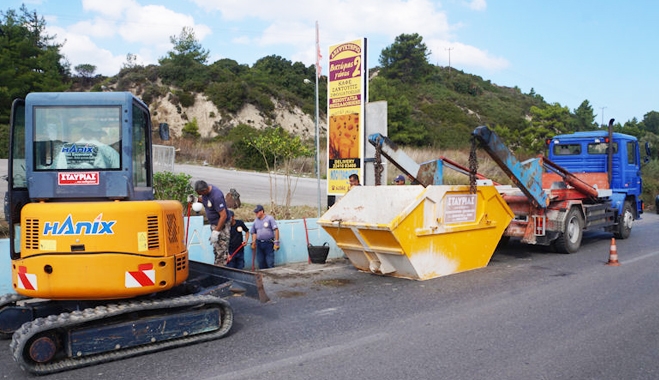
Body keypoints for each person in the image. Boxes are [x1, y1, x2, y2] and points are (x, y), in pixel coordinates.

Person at [194, 180, 230, 266]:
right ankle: (217, 266)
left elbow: (223, 216)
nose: (201, 195)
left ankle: (221, 270)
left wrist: (216, 231)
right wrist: (196, 199)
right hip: (214, 224)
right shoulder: (205, 193)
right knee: (216, 249)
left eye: (201, 193)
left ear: (205, 190)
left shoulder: (216, 196)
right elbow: (206, 201)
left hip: (222, 225)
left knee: (222, 249)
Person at [250, 204, 279, 269]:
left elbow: (276, 230)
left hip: (268, 243)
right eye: (255, 212)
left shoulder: (269, 218)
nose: (256, 214)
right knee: (261, 262)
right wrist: (253, 242)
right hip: (259, 244)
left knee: (270, 262)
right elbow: (254, 232)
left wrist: (276, 242)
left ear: (262, 211)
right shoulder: (255, 221)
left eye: (257, 212)